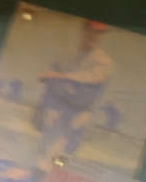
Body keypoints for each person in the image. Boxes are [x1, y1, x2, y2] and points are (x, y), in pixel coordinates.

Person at [32, 20, 116, 173]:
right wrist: (42, 105)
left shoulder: (104, 61)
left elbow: (94, 77)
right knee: (46, 145)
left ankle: (49, 177)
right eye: (91, 31)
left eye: (99, 33)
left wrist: (61, 76)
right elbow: (51, 83)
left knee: (65, 152)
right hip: (58, 107)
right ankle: (37, 174)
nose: (95, 36)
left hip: (80, 112)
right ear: (84, 30)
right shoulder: (69, 54)